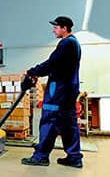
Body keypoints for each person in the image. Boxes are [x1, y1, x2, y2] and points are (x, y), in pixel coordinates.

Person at [22, 16, 83, 168]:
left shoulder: (66, 43)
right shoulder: (75, 43)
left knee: (49, 121)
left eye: (56, 27)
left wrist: (32, 71)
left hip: (59, 90)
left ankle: (41, 156)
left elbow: (52, 64)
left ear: (64, 28)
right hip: (69, 89)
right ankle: (74, 158)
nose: (53, 30)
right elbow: (57, 65)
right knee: (68, 124)